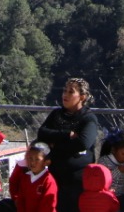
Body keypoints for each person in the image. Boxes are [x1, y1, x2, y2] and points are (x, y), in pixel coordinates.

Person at [37, 78, 99, 212]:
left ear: (82, 97)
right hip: (55, 176)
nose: (65, 95)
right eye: (64, 91)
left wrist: (55, 146)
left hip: (78, 180)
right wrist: (66, 134)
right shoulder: (56, 114)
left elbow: (82, 143)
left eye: (71, 92)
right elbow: (42, 133)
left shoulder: (88, 118)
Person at [5, 143, 58, 212]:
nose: (32, 162)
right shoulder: (25, 178)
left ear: (46, 162)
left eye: (37, 159)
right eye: (30, 158)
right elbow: (21, 201)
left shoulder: (49, 181)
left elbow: (47, 206)